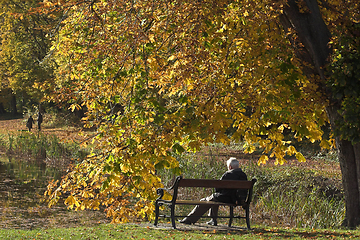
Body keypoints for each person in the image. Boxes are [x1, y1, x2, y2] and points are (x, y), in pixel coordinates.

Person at [179, 157, 247, 226]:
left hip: (225, 198)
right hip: (236, 199)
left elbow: (218, 188)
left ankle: (189, 220)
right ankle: (213, 220)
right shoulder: (243, 175)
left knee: (205, 200)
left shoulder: (228, 174)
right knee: (214, 198)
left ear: (230, 167)